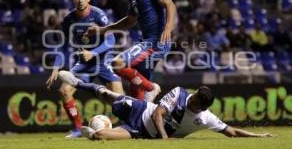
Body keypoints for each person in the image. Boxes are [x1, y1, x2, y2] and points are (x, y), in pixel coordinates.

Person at [58, 70, 274, 140]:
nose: (194, 104)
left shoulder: (205, 117)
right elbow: (157, 116)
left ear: (203, 107)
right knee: (108, 95)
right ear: (196, 95)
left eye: (198, 105)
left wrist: (259, 137)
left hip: (139, 131)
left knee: (101, 136)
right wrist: (165, 139)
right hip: (142, 110)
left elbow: (232, 131)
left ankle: (90, 133)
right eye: (195, 99)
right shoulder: (180, 93)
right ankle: (80, 83)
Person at [85, 0, 177, 101]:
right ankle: (141, 114)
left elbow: (170, 5)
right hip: (147, 42)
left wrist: (168, 28)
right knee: (137, 97)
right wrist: (102, 30)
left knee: (117, 63)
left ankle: (151, 88)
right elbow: (129, 21)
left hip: (155, 42)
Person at [45, 0, 124, 138]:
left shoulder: (98, 15)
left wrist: (93, 52)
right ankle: (77, 129)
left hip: (103, 60)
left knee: (120, 99)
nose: (80, 0)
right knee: (64, 91)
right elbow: (63, 45)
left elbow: (111, 39)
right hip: (84, 63)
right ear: (73, 0)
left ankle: (125, 128)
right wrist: (55, 68)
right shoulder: (69, 20)